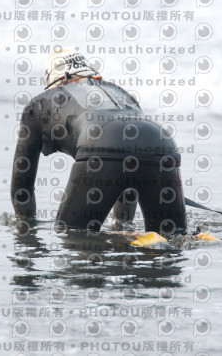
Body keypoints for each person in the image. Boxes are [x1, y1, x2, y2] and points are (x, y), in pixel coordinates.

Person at [10, 48, 187, 237]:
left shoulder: (38, 105)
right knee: (173, 236)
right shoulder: (121, 93)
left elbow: (21, 185)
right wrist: (122, 224)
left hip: (100, 145)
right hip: (163, 143)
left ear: (52, 81)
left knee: (72, 234)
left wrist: (25, 224)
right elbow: (128, 174)